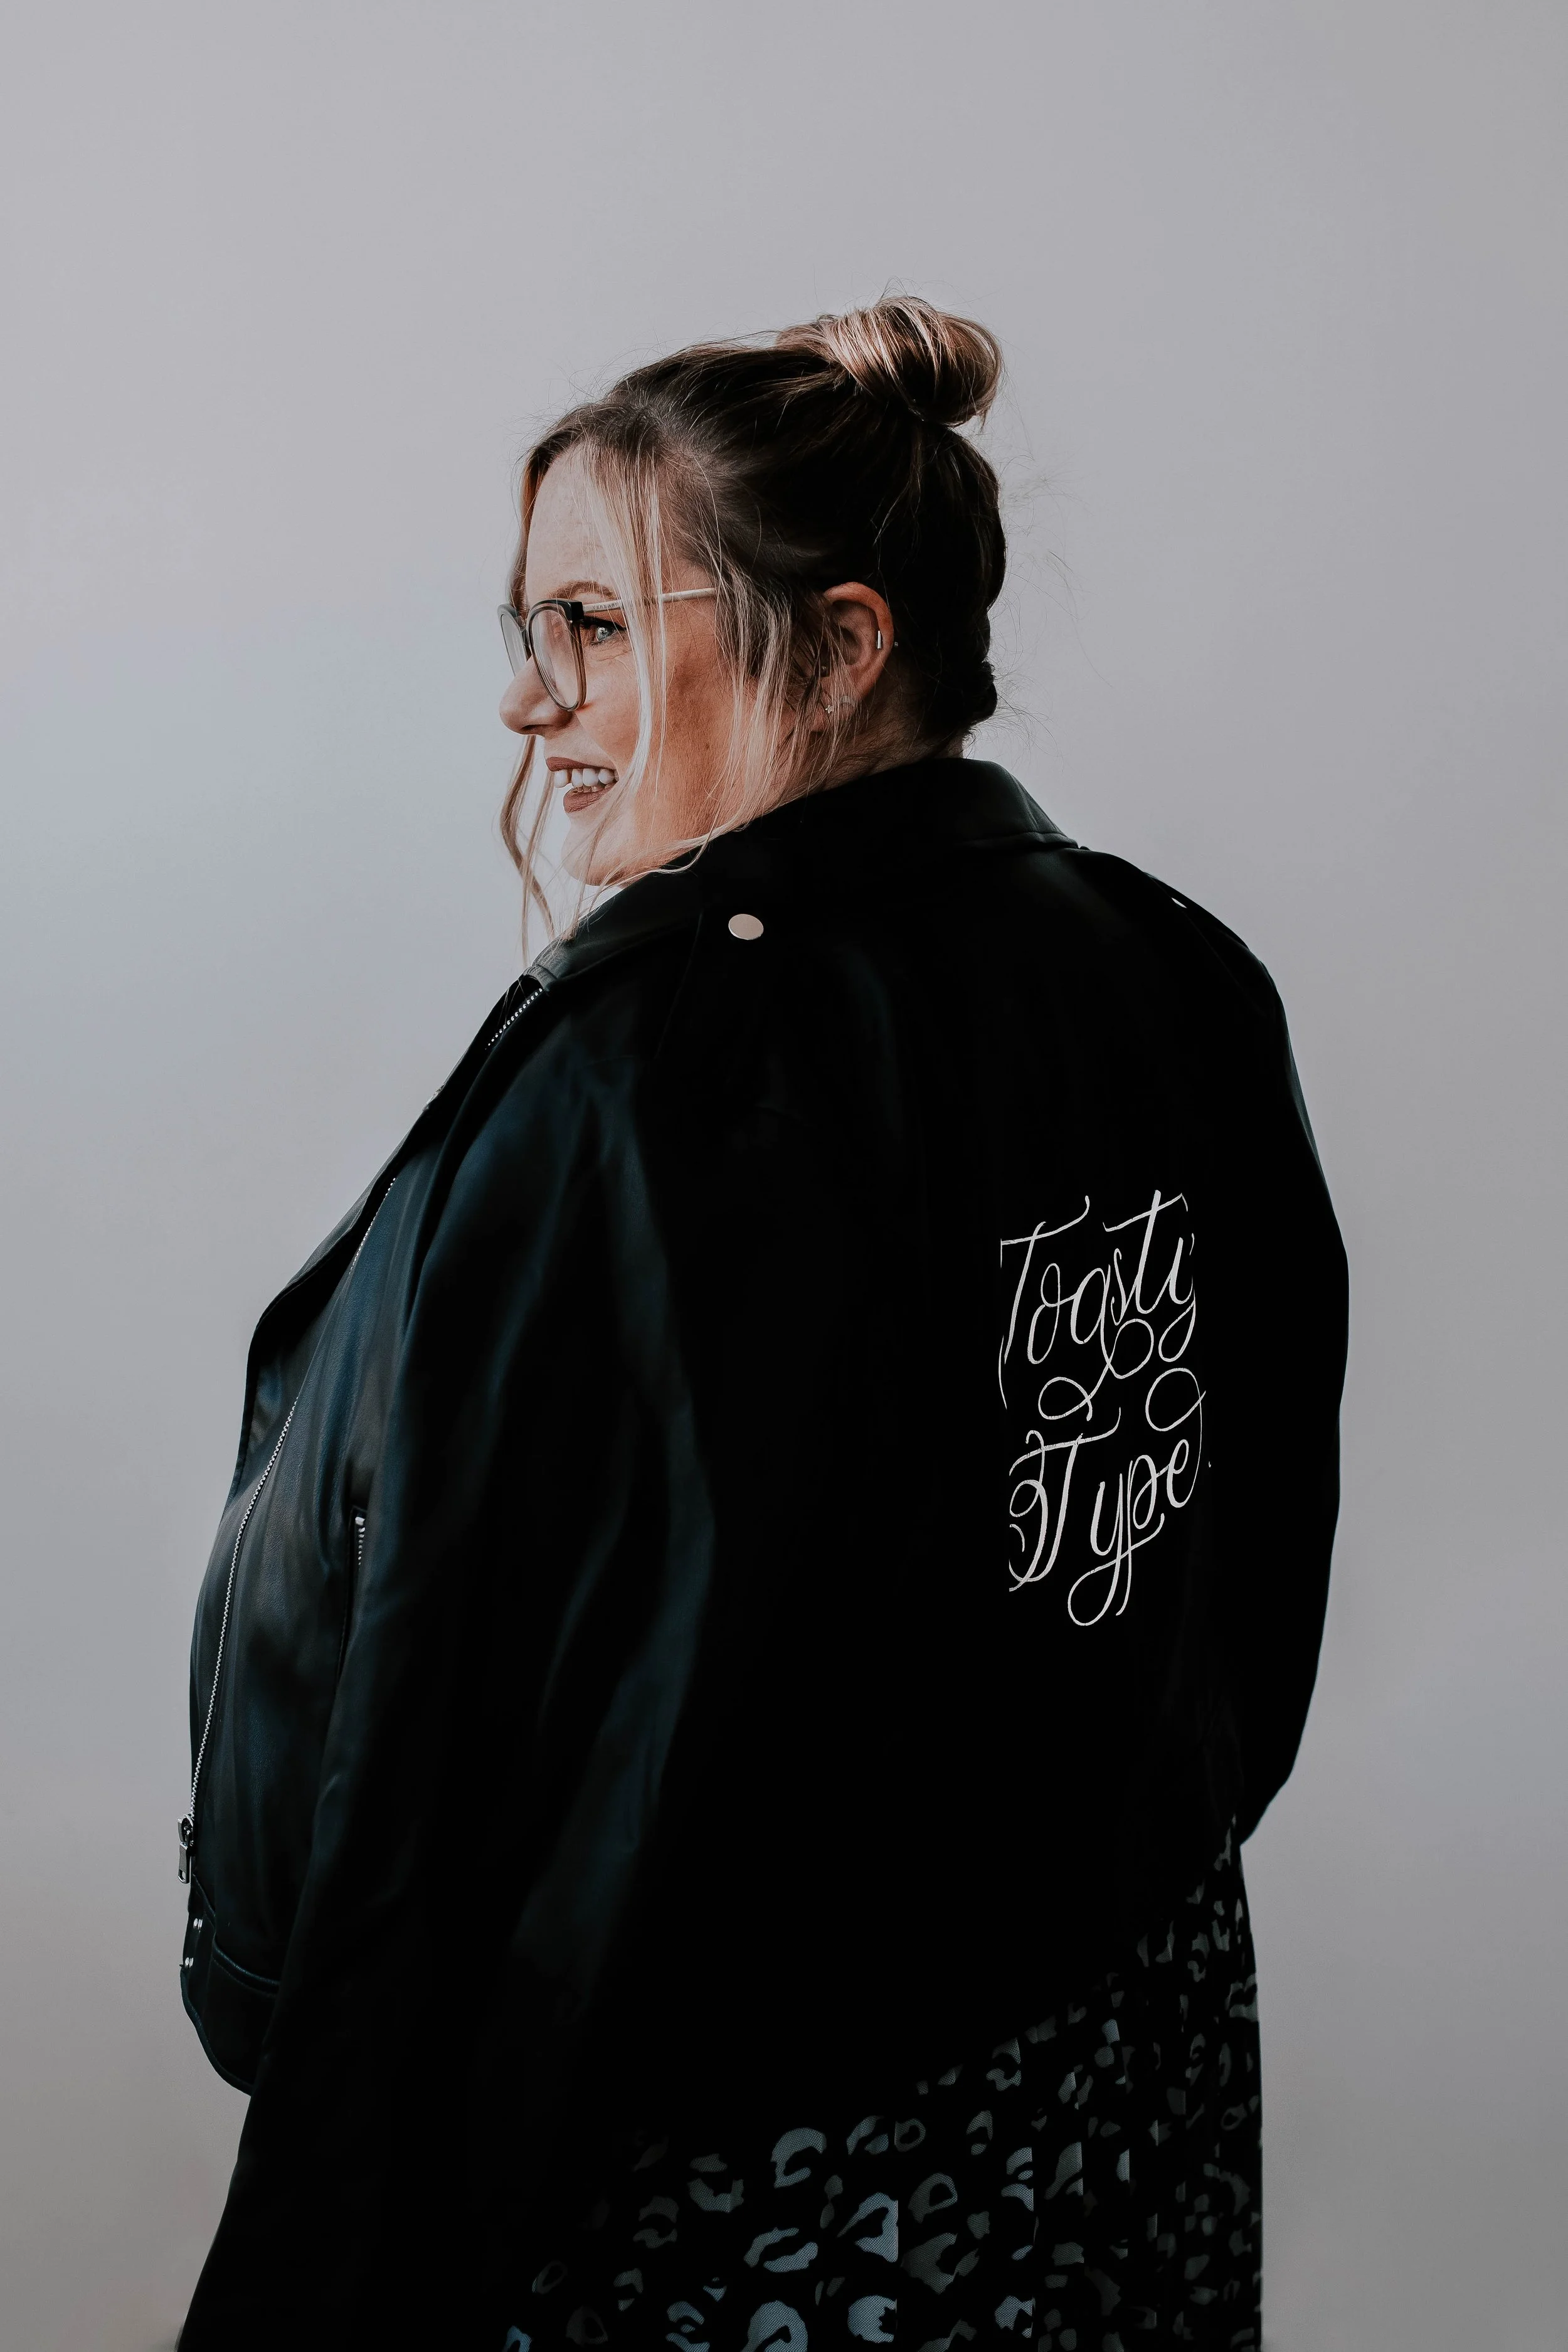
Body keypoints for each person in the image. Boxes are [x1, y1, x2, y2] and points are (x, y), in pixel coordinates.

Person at [175, 296, 1348, 2351]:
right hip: (1120, 2043)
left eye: (600, 627)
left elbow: (444, 1750)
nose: (535, 705)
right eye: (529, 633)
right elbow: (1246, 1563)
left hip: (748, 2155)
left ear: (847, 640)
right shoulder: (1172, 966)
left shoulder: (643, 1082)